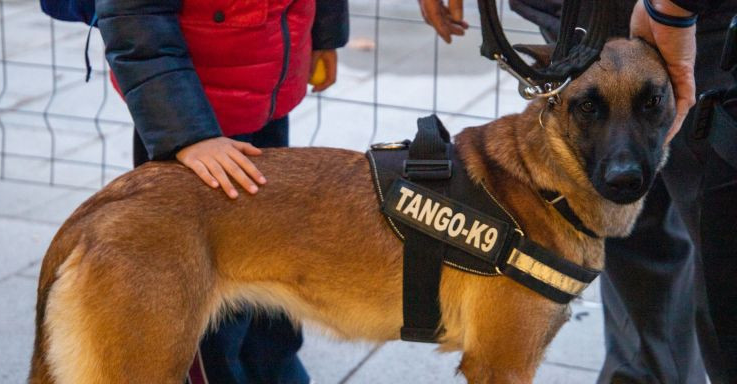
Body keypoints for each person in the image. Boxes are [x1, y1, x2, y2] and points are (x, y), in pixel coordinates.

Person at [419, 0, 737, 382]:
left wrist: (671, 8)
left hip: (704, 21)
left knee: (724, 238)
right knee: (624, 232)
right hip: (576, 17)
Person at [95, 0, 349, 383]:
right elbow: (133, 15)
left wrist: (323, 33)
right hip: (192, 118)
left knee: (276, 265)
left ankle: (275, 370)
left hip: (267, 88)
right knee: (196, 297)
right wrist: (187, 134)